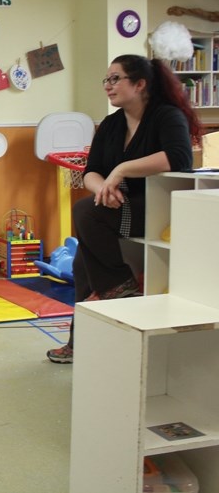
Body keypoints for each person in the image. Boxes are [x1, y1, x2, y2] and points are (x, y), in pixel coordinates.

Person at [47, 55, 200, 364]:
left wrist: (121, 171)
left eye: (115, 79)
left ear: (140, 84)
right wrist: (103, 187)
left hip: (157, 210)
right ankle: (83, 341)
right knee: (81, 263)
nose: (108, 86)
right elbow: (91, 171)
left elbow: (179, 158)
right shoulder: (112, 124)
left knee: (86, 212)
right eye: (106, 80)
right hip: (117, 205)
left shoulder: (166, 116)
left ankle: (119, 285)